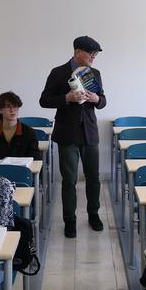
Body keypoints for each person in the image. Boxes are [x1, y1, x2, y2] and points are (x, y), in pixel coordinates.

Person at [40, 35, 106, 238]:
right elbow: (44, 100)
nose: (93, 57)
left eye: (95, 54)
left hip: (90, 132)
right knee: (69, 180)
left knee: (93, 178)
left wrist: (96, 98)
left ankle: (94, 214)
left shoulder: (94, 73)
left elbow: (103, 101)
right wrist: (67, 98)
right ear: (78, 52)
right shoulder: (58, 72)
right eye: (91, 53)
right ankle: (70, 220)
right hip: (67, 134)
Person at [0, 91, 42, 161]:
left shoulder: (29, 133)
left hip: (22, 168)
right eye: (8, 106)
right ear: (0, 110)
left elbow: (36, 159)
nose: (12, 110)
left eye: (15, 106)